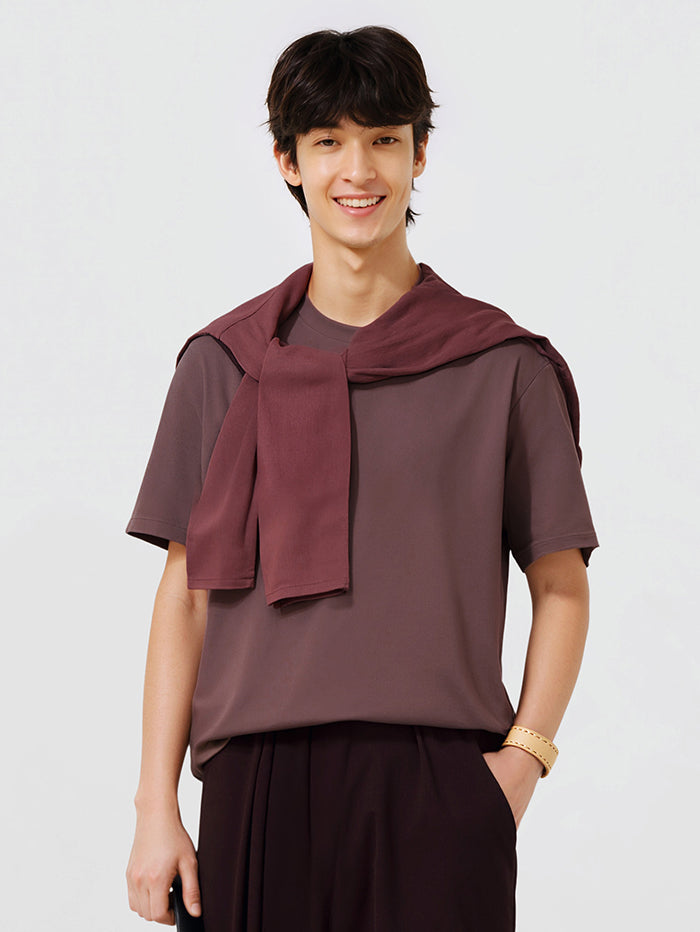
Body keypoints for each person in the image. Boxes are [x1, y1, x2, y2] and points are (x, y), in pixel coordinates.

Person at [125, 25, 599, 932]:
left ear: (420, 154)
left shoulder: (502, 365)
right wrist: (156, 807)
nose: (358, 170)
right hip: (256, 782)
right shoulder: (223, 364)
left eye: (384, 139)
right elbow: (185, 592)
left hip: (437, 784)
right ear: (288, 161)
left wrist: (520, 766)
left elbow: (562, 584)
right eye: (328, 141)